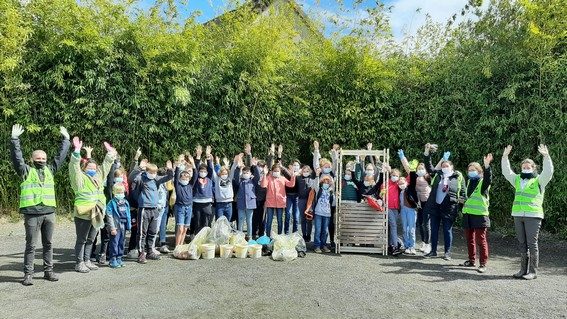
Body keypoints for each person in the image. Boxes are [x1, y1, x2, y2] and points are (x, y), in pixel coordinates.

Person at [10, 124, 70, 286]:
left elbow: (60, 157)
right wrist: (14, 140)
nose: (41, 161)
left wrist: (66, 140)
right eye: (38, 158)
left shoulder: (51, 169)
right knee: (31, 245)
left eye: (43, 158)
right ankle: (28, 274)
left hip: (49, 212)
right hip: (32, 213)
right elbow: (17, 158)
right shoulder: (25, 171)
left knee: (48, 244)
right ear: (32, 159)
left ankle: (48, 271)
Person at [502, 144, 553, 280]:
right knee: (522, 243)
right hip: (518, 215)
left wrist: (546, 157)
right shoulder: (517, 179)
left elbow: (548, 172)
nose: (525, 169)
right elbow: (507, 172)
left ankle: (533, 272)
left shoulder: (539, 180)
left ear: (533, 168)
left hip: (533, 216)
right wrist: (505, 157)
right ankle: (522, 270)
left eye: (528, 167)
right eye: (523, 167)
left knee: (532, 243)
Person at [69, 138, 116, 273]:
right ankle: (79, 262)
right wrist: (77, 152)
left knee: (91, 239)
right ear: (84, 168)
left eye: (94, 168)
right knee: (82, 239)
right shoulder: (80, 178)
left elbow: (106, 166)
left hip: (97, 212)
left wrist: (110, 153)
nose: (92, 169)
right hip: (83, 213)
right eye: (89, 167)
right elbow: (74, 168)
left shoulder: (98, 177)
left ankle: (87, 260)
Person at [423, 144, 466, 261]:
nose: (444, 167)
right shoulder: (438, 174)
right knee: (434, 229)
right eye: (443, 166)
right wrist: (427, 153)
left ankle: (447, 252)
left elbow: (463, 192)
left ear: (452, 167)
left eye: (446, 165)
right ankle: (433, 251)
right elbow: (429, 166)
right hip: (435, 206)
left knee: (447, 230)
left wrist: (462, 206)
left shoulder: (458, 176)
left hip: (449, 207)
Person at [129, 157, 173, 264]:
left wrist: (170, 169)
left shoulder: (156, 179)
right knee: (142, 233)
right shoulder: (141, 178)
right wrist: (140, 167)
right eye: (151, 172)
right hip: (144, 208)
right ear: (147, 171)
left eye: (155, 172)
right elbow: (131, 177)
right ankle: (141, 254)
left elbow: (169, 177)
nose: (153, 174)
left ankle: (150, 251)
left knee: (153, 232)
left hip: (155, 208)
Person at [461, 153, 493, 273]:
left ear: (479, 171)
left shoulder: (482, 183)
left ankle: (483, 264)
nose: (471, 172)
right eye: (469, 170)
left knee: (481, 240)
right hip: (468, 214)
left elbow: (488, 178)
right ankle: (471, 260)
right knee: (469, 239)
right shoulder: (469, 182)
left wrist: (487, 166)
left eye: (473, 170)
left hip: (480, 216)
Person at [262, 163, 296, 236]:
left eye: (278, 171)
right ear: (272, 171)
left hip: (280, 202)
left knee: (280, 221)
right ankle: (268, 237)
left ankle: (279, 236)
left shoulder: (282, 178)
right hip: (270, 202)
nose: (276, 172)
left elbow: (291, 184)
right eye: (275, 171)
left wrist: (293, 175)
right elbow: (263, 185)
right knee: (269, 221)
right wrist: (265, 174)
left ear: (280, 171)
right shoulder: (269, 178)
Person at [234, 155, 262, 240]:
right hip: (241, 204)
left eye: (247, 173)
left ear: (250, 174)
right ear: (242, 174)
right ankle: (240, 237)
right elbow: (235, 178)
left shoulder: (253, 181)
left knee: (249, 221)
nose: (246, 174)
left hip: (250, 204)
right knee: (241, 221)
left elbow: (257, 175)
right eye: (244, 173)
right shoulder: (240, 181)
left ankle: (249, 237)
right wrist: (238, 168)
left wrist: (255, 166)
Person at [173, 154, 197, 247]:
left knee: (186, 228)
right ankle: (177, 246)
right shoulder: (178, 185)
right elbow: (175, 177)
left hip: (189, 208)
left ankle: (181, 245)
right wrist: (178, 164)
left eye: (187, 176)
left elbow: (195, 175)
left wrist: (193, 163)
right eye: (183, 176)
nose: (185, 177)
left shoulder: (190, 185)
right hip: (180, 207)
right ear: (180, 178)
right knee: (180, 228)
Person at [105, 184, 131, 268]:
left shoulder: (125, 202)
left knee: (121, 242)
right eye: (118, 192)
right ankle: (113, 259)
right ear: (114, 192)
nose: (120, 194)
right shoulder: (111, 203)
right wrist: (112, 228)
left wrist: (129, 225)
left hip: (123, 225)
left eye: (122, 192)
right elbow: (109, 216)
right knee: (114, 243)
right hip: (115, 226)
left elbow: (128, 215)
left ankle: (119, 257)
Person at [308, 173, 334, 253]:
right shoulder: (319, 189)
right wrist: (317, 175)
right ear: (321, 183)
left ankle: (323, 245)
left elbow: (333, 202)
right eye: (324, 182)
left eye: (327, 182)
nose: (326, 184)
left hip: (327, 214)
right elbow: (316, 183)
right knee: (318, 230)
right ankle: (317, 246)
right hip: (318, 213)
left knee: (325, 231)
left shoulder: (330, 192)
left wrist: (332, 181)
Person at [192, 145, 215, 234]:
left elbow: (210, 168)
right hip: (197, 202)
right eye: (201, 171)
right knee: (197, 222)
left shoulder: (209, 177)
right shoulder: (197, 178)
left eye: (204, 171)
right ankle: (197, 237)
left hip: (207, 203)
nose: (202, 173)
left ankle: (206, 239)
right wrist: (198, 156)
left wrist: (208, 156)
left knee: (207, 222)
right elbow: (196, 169)